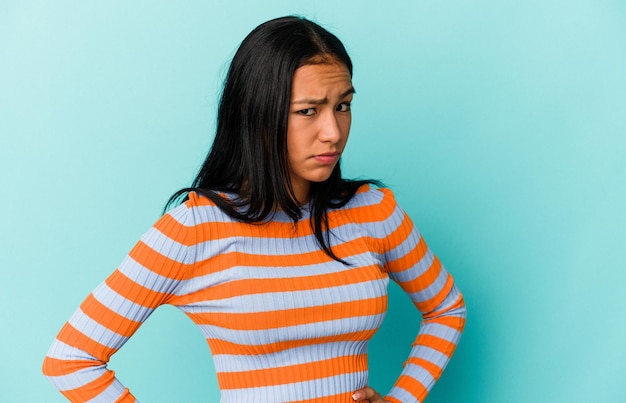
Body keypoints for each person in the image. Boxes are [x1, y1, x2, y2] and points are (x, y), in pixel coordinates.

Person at [42, 16, 466, 403]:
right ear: (255, 115)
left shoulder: (372, 210)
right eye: (307, 111)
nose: (332, 132)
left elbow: (447, 309)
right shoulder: (195, 227)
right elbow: (71, 359)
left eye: (343, 105)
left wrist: (403, 398)